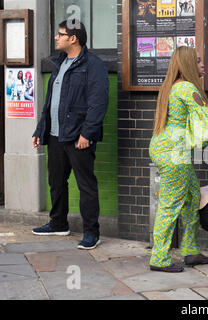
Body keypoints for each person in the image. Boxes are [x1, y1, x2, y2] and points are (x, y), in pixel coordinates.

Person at [31, 20, 109, 250]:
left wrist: (87, 133)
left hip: (78, 137)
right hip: (55, 135)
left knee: (85, 186)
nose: (56, 37)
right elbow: (50, 102)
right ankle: (58, 223)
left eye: (60, 34)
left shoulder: (92, 65)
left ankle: (91, 233)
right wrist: (40, 129)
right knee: (56, 181)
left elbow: (98, 102)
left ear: (73, 38)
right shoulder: (59, 63)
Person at [148, 46, 208, 272]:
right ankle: (160, 258)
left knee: (192, 198)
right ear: (190, 65)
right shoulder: (186, 87)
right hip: (174, 154)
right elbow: (205, 116)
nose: (203, 65)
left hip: (167, 149)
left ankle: (190, 250)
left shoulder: (172, 86)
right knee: (170, 205)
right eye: (199, 61)